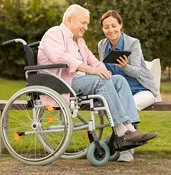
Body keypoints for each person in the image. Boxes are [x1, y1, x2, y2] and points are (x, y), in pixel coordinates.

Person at [37, 4, 157, 147]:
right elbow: (59, 57)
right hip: (62, 82)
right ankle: (120, 131)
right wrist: (91, 70)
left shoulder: (78, 40)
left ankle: (130, 129)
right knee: (100, 81)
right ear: (69, 20)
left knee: (118, 80)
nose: (86, 27)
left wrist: (105, 72)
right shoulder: (54, 33)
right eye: (83, 23)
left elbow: (93, 60)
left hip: (77, 81)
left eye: (87, 23)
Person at [98, 10, 160, 162]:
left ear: (121, 25)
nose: (110, 30)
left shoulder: (133, 43)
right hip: (119, 89)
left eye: (114, 25)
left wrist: (125, 66)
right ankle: (127, 139)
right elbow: (104, 69)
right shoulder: (102, 45)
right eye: (106, 27)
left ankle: (126, 151)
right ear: (102, 29)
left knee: (125, 106)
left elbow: (136, 72)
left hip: (142, 89)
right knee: (113, 104)